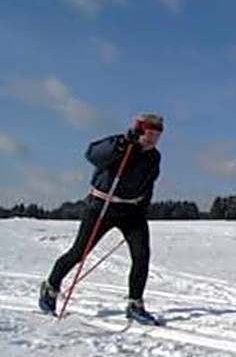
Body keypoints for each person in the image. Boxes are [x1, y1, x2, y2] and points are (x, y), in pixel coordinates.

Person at [38, 113, 164, 325]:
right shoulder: (121, 144)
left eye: (157, 135)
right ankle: (51, 288)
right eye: (149, 133)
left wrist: (143, 207)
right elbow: (93, 154)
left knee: (142, 256)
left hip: (132, 212)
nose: (153, 139)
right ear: (140, 131)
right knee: (79, 252)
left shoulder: (154, 156)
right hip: (101, 207)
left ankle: (135, 304)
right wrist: (123, 143)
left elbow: (149, 183)